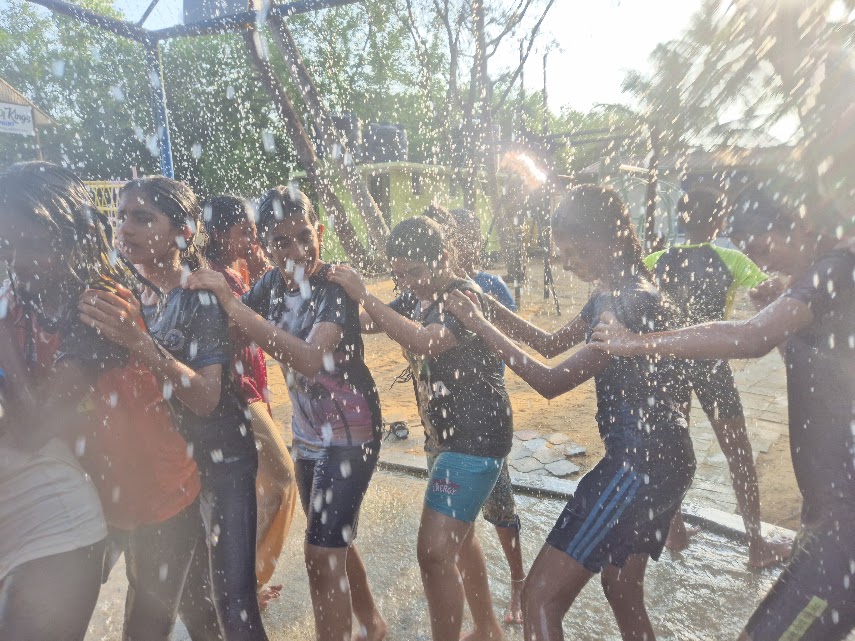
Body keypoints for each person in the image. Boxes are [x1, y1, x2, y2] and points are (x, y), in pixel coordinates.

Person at [591, 178, 855, 641]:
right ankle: (742, 538)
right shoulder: (825, 275)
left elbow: (749, 337)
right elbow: (820, 372)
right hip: (827, 512)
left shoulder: (836, 268)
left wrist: (635, 343)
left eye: (764, 247)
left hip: (844, 523)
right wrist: (783, 318)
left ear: (804, 224)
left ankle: (732, 537)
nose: (763, 262)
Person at [444, 185, 695, 641]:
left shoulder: (630, 303)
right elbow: (547, 343)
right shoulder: (610, 294)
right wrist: (484, 301)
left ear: (608, 240)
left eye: (574, 252)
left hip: (637, 464)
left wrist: (477, 325)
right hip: (665, 461)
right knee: (622, 587)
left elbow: (551, 381)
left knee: (539, 599)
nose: (564, 264)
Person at [186, 186, 386, 641]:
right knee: (331, 538)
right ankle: (372, 623)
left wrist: (233, 304)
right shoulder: (270, 286)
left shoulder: (334, 287)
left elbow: (311, 358)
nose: (295, 251)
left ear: (320, 232)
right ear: (265, 245)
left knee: (320, 555)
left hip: (352, 433)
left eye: (303, 237)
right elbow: (234, 330)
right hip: (309, 433)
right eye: (280, 241)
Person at [78, 176, 268, 641]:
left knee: (234, 603)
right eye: (121, 217)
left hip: (223, 460)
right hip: (174, 469)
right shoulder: (133, 291)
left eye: (143, 218)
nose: (126, 228)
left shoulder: (199, 294)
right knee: (194, 603)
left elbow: (205, 397)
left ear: (184, 231)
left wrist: (139, 342)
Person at [328, 213, 513, 641]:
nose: (407, 283)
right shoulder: (418, 297)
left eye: (413, 272)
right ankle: (487, 629)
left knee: (432, 554)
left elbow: (426, 341)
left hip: (475, 439)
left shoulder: (462, 296)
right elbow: (369, 321)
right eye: (399, 275)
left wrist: (364, 293)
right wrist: (332, 291)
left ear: (443, 256)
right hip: (443, 439)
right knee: (460, 541)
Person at [0, 161, 137, 641]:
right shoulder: (24, 295)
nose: (18, 262)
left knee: (175, 614)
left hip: (138, 495)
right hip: (74, 484)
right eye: (8, 245)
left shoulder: (101, 306)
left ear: (73, 238)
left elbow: (34, 428)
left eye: (34, 246)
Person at [643, 187, 791, 567]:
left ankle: (674, 531)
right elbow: (770, 295)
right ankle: (756, 545)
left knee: (672, 450)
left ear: (680, 219)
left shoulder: (655, 261)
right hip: (711, 365)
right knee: (738, 453)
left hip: (668, 364)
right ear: (718, 221)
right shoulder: (731, 258)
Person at [428, 206, 527, 625]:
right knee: (458, 524)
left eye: (468, 235)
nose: (466, 244)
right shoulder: (426, 290)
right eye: (457, 234)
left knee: (501, 510)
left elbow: (509, 338)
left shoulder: (485, 286)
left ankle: (519, 583)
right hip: (440, 425)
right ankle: (480, 618)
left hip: (481, 422)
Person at [202, 195, 297, 607]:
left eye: (255, 230)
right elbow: (237, 334)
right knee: (282, 479)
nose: (253, 239)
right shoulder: (211, 277)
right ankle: (241, 583)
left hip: (249, 388)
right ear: (218, 233)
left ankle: (240, 582)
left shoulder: (234, 270)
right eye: (245, 231)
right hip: (234, 396)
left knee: (253, 490)